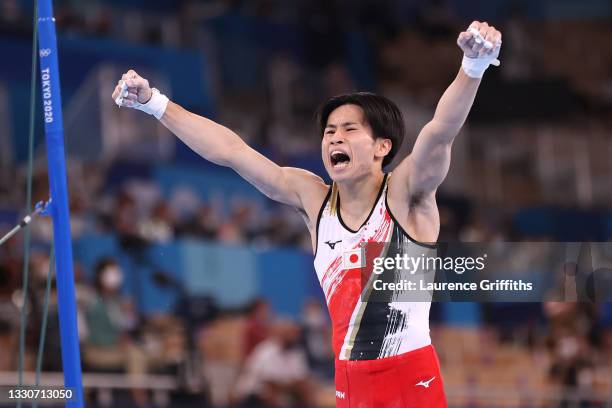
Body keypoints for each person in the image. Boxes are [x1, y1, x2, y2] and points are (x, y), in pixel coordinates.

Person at [112, 21, 502, 407]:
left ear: (383, 146)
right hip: (349, 382)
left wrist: (472, 67)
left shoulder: (406, 194)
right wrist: (154, 103)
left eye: (349, 129)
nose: (334, 137)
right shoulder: (313, 200)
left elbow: (440, 132)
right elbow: (231, 151)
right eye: (329, 131)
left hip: (409, 377)